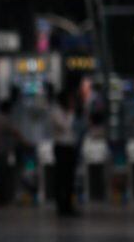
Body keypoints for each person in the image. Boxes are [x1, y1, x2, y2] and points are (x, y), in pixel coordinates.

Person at [0, 100, 27, 206]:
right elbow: (15, 133)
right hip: (1, 151)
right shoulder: (4, 120)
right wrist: (26, 142)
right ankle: (2, 199)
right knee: (3, 176)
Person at [50, 89, 79, 217]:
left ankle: (68, 205)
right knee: (61, 178)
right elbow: (66, 126)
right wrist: (71, 113)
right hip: (61, 148)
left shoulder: (68, 113)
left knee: (69, 179)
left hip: (70, 147)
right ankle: (61, 206)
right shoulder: (57, 112)